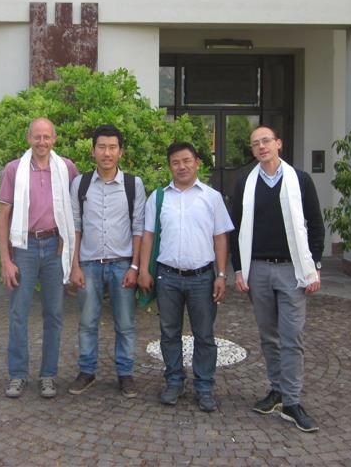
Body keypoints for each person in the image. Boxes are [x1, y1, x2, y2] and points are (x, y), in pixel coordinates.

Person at [230, 126, 324, 433]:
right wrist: (238, 269)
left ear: (278, 144)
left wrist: (315, 265)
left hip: (291, 270)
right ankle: (277, 390)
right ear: (252, 150)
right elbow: (236, 229)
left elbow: (316, 224)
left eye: (266, 141)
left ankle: (292, 402)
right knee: (268, 336)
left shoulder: (301, 180)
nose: (262, 147)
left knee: (291, 336)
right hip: (257, 270)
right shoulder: (245, 183)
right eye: (255, 143)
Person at [138, 141, 233, 412]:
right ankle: (174, 381)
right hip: (167, 277)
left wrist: (221, 274)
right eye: (175, 162)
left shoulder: (211, 197)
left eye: (186, 161)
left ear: (197, 163)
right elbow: (148, 236)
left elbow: (220, 238)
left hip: (202, 278)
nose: (181, 166)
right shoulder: (158, 198)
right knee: (169, 333)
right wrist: (144, 270)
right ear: (170, 166)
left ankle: (204, 387)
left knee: (204, 335)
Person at [0, 117, 79, 399]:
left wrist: (72, 255)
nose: (42, 142)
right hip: (24, 247)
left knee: (54, 314)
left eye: (47, 137)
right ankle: (18, 375)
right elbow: (3, 216)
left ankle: (48, 375)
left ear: (54, 139)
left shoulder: (67, 168)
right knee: (19, 314)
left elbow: (75, 214)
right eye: (37, 137)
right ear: (28, 138)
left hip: (55, 246)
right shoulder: (13, 170)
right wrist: (6, 260)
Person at [67, 125, 146, 398]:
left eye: (112, 147)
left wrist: (135, 266)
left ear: (120, 152)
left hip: (122, 264)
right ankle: (87, 371)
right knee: (87, 322)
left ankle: (125, 374)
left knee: (125, 324)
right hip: (89, 263)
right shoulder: (80, 184)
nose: (107, 153)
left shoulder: (133, 185)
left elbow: (138, 228)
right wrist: (74, 265)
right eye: (101, 147)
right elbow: (75, 227)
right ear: (93, 151)